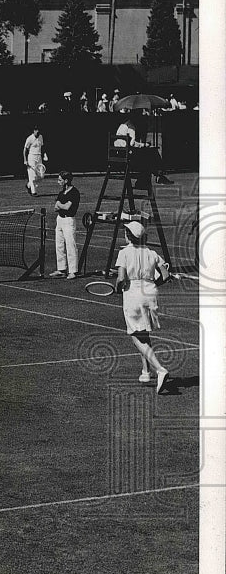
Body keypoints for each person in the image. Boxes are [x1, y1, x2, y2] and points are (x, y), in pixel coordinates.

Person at [115, 221, 173, 393]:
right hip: (151, 292)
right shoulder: (153, 253)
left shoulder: (124, 253)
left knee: (135, 334)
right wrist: (151, 285)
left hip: (133, 293)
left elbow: (120, 279)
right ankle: (145, 372)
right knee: (143, 332)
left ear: (128, 236)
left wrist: (119, 288)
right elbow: (165, 275)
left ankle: (159, 369)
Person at [113, 117, 173, 186]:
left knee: (148, 154)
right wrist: (144, 145)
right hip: (126, 156)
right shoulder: (131, 127)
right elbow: (132, 144)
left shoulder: (123, 125)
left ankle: (145, 180)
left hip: (119, 154)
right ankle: (157, 176)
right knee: (152, 153)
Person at [49, 171, 80, 279]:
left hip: (69, 220)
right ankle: (61, 269)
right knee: (59, 245)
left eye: (60, 180)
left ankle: (73, 271)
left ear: (66, 181)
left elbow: (67, 207)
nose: (58, 182)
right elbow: (55, 207)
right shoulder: (62, 192)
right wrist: (61, 205)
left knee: (71, 245)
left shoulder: (74, 192)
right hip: (60, 220)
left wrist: (60, 205)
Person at [22, 124, 47, 195]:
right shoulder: (29, 138)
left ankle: (28, 185)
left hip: (39, 158)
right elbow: (25, 150)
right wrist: (25, 160)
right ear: (34, 131)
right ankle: (33, 192)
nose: (38, 131)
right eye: (36, 130)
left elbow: (42, 147)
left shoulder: (41, 137)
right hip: (31, 158)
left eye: (39, 130)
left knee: (41, 176)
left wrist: (44, 155)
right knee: (32, 176)